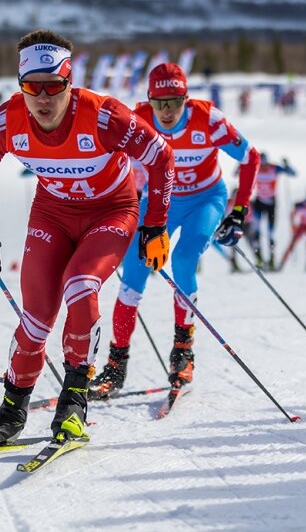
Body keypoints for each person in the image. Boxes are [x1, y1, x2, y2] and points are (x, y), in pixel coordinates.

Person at [0, 30, 175, 447]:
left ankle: (75, 398)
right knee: (36, 317)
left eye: (54, 86)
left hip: (111, 211)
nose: (43, 99)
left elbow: (161, 156)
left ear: (69, 81)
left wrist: (155, 226)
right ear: (20, 86)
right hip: (53, 214)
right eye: (32, 88)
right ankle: (12, 410)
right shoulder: (8, 120)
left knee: (81, 285)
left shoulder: (103, 116)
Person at [90, 62, 259, 399]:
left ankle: (183, 351)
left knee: (184, 259)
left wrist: (239, 212)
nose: (166, 111)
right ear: (148, 100)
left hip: (205, 199)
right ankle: (116, 364)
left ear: (186, 97)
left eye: (174, 102)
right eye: (158, 103)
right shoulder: (136, 119)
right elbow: (102, 154)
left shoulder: (208, 119)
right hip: (160, 202)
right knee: (133, 274)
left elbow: (251, 157)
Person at [252, 152, 296, 269]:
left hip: (271, 203)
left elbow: (292, 173)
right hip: (259, 202)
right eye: (262, 165)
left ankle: (271, 259)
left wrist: (287, 165)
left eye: (265, 164)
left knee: (270, 233)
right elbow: (237, 173)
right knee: (256, 231)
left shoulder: (274, 168)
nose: (264, 167)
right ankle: (259, 259)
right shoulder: (255, 167)